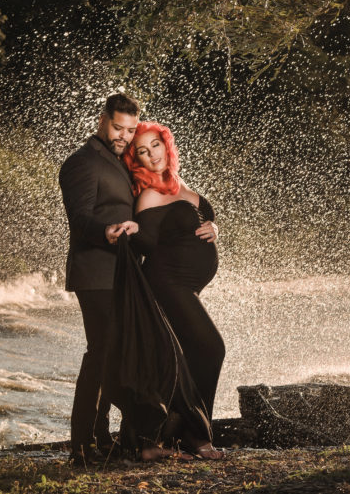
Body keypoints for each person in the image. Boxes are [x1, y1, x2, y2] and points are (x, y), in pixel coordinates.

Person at [59, 94, 218, 465]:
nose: (124, 136)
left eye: (131, 130)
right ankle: (82, 447)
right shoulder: (82, 163)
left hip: (122, 276)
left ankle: (108, 439)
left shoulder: (120, 163)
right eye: (118, 127)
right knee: (99, 356)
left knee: (114, 357)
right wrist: (108, 231)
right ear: (102, 120)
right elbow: (80, 220)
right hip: (96, 271)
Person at [123, 121, 225, 460]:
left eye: (155, 145)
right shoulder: (149, 194)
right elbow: (147, 242)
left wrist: (213, 227)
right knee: (211, 348)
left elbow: (199, 221)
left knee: (192, 355)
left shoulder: (180, 188)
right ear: (135, 159)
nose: (151, 155)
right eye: (142, 151)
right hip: (167, 283)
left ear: (167, 146)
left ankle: (176, 433)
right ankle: (197, 436)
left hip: (186, 287)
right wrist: (133, 230)